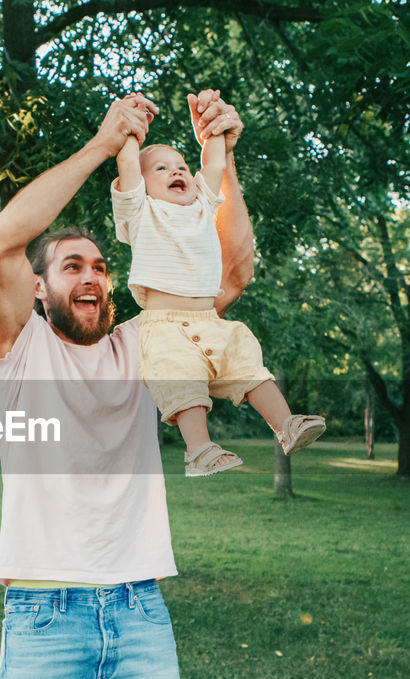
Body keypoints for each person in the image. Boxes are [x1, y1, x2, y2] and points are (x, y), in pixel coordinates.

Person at [0, 89, 250, 679]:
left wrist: (220, 167)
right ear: (40, 287)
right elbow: (1, 241)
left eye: (101, 263)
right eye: (72, 265)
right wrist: (105, 145)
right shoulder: (18, 347)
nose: (92, 275)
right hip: (41, 614)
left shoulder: (145, 344)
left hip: (138, 609)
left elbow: (226, 276)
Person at [112, 104, 325, 476]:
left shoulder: (201, 207)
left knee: (245, 357)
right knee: (180, 376)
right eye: (161, 168)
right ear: (143, 185)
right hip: (162, 326)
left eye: (179, 165)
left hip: (210, 319)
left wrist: (213, 135)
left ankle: (286, 425)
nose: (176, 171)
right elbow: (128, 168)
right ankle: (199, 449)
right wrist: (130, 133)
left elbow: (213, 166)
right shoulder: (140, 213)